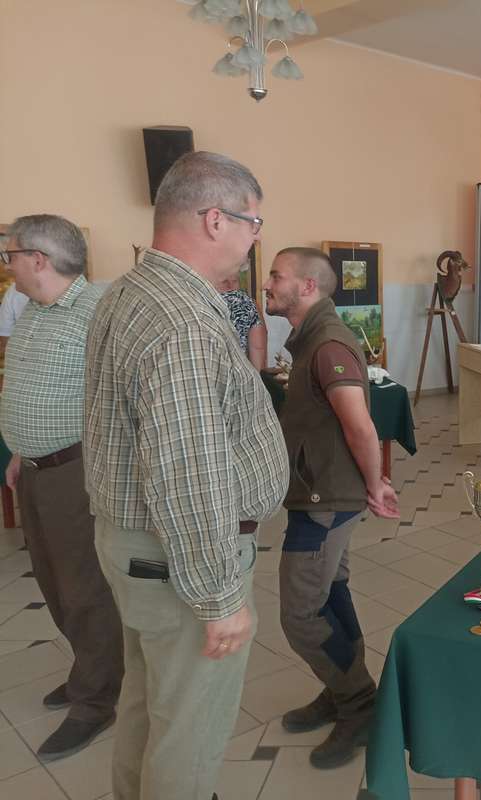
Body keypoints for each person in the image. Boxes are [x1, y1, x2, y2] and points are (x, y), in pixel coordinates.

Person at [84, 151, 289, 800]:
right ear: (215, 220)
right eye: (253, 223)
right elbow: (187, 472)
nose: (255, 239)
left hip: (138, 546)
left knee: (150, 704)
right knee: (189, 731)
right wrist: (218, 597)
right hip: (179, 558)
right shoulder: (185, 322)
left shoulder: (131, 290)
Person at [264, 246, 400, 769]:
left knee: (300, 612)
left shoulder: (328, 344)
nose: (268, 284)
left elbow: (360, 425)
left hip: (327, 499)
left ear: (307, 287)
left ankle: (358, 702)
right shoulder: (311, 339)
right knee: (330, 593)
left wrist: (376, 484)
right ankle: (343, 688)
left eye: (276, 276)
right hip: (318, 492)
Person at [0, 216, 124, 762]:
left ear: (38, 259)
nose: (6, 264)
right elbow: (30, 384)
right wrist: (20, 451)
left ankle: (97, 700)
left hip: (76, 470)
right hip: (33, 469)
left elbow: (124, 394)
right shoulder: (30, 309)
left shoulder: (99, 310)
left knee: (83, 588)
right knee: (52, 581)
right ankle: (87, 672)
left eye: (9, 254)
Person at [219, 273, 267, 370]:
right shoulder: (248, 303)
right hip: (241, 371)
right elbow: (258, 347)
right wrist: (257, 374)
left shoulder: (203, 302)